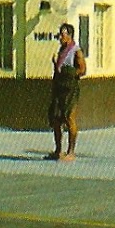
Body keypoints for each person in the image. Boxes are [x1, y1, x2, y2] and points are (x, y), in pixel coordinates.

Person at [47, 23, 87, 161]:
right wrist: (55, 64)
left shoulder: (76, 51)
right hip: (59, 88)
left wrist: (69, 73)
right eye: (59, 35)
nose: (60, 38)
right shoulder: (61, 50)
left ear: (69, 36)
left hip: (70, 89)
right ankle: (58, 150)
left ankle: (71, 151)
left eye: (62, 35)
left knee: (69, 118)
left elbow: (82, 70)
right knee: (56, 119)